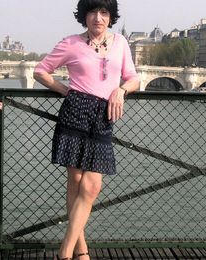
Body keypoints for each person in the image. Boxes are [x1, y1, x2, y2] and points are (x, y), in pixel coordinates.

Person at [33, 0, 140, 259]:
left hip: (103, 115)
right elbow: (40, 71)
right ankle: (80, 251)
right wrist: (66, 90)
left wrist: (121, 90)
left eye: (104, 12)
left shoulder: (121, 43)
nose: (98, 18)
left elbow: (134, 78)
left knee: (92, 187)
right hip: (76, 111)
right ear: (85, 16)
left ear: (110, 17)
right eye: (92, 12)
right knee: (77, 182)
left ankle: (65, 251)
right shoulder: (71, 43)